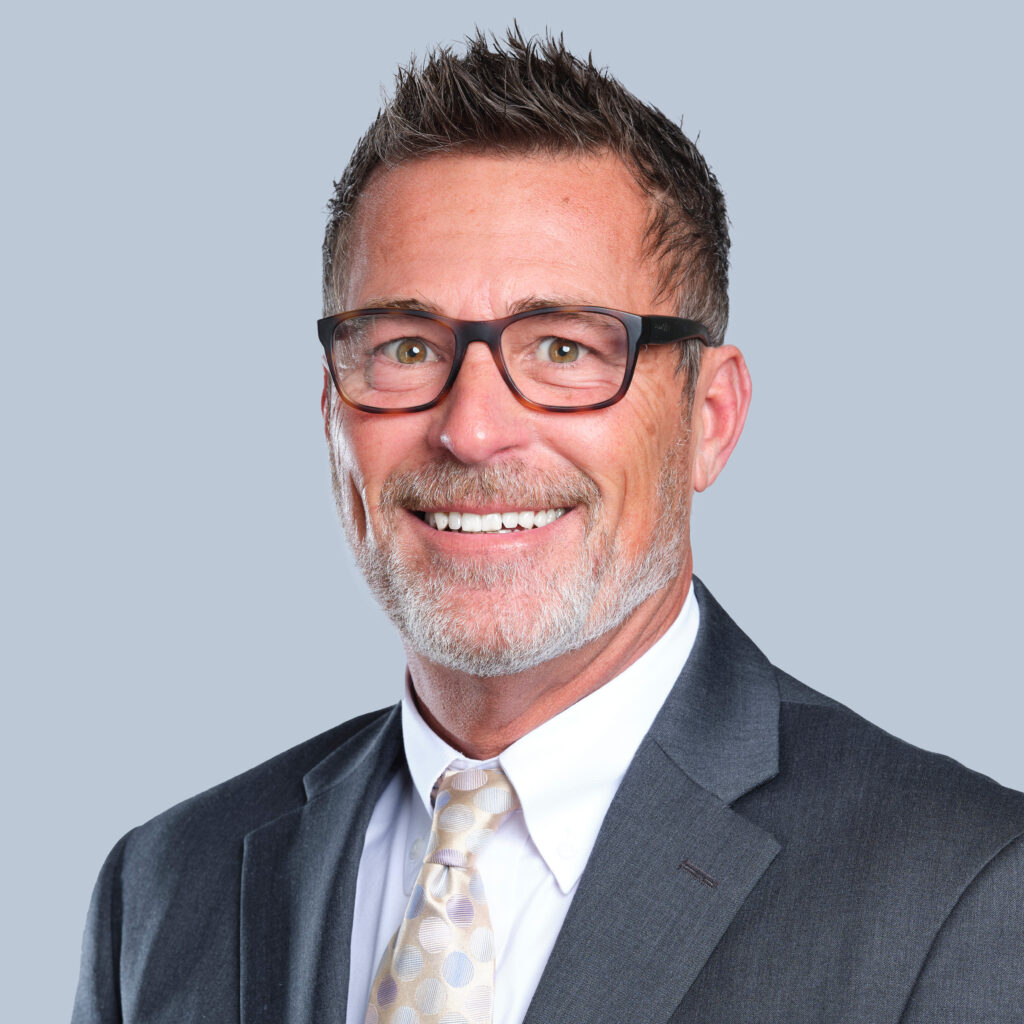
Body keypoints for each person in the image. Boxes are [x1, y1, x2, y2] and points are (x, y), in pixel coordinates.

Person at [73, 29, 1024, 1024]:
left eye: (563, 348)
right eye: (405, 346)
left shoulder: (962, 892)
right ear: (330, 412)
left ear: (709, 418)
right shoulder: (162, 887)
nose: (472, 429)